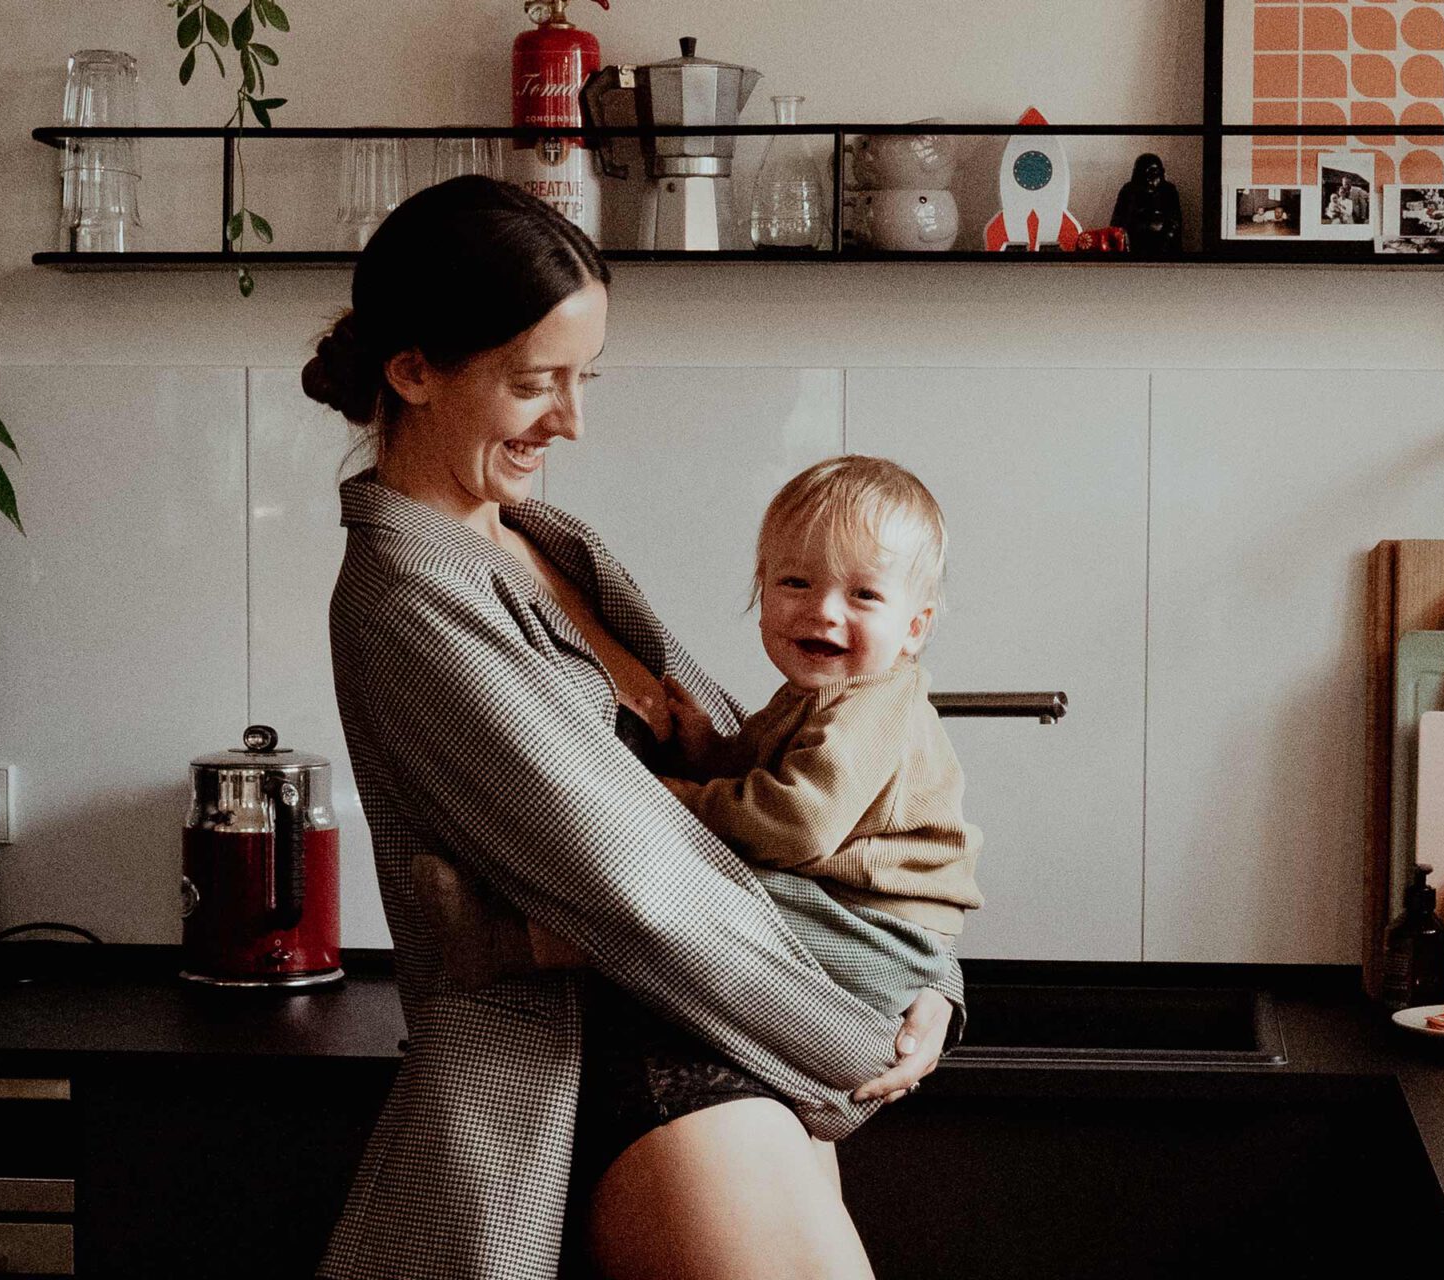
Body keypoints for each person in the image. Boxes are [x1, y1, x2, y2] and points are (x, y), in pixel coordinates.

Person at [305, 175, 962, 1280]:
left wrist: (924, 973)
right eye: (534, 382)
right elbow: (642, 887)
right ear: (412, 370)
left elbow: (778, 798)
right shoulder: (409, 596)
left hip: (722, 1039)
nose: (571, 418)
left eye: (582, 377)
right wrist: (862, 1036)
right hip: (612, 1063)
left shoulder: (543, 538)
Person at [421, 454, 984, 1017]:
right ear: (761, 592)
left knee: (708, 910)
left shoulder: (876, 705)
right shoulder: (813, 697)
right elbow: (760, 766)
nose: (823, 611)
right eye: (795, 582)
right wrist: (709, 749)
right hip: (851, 915)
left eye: (864, 595)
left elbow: (799, 822)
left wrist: (678, 798)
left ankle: (520, 944)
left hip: (882, 937)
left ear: (915, 627)